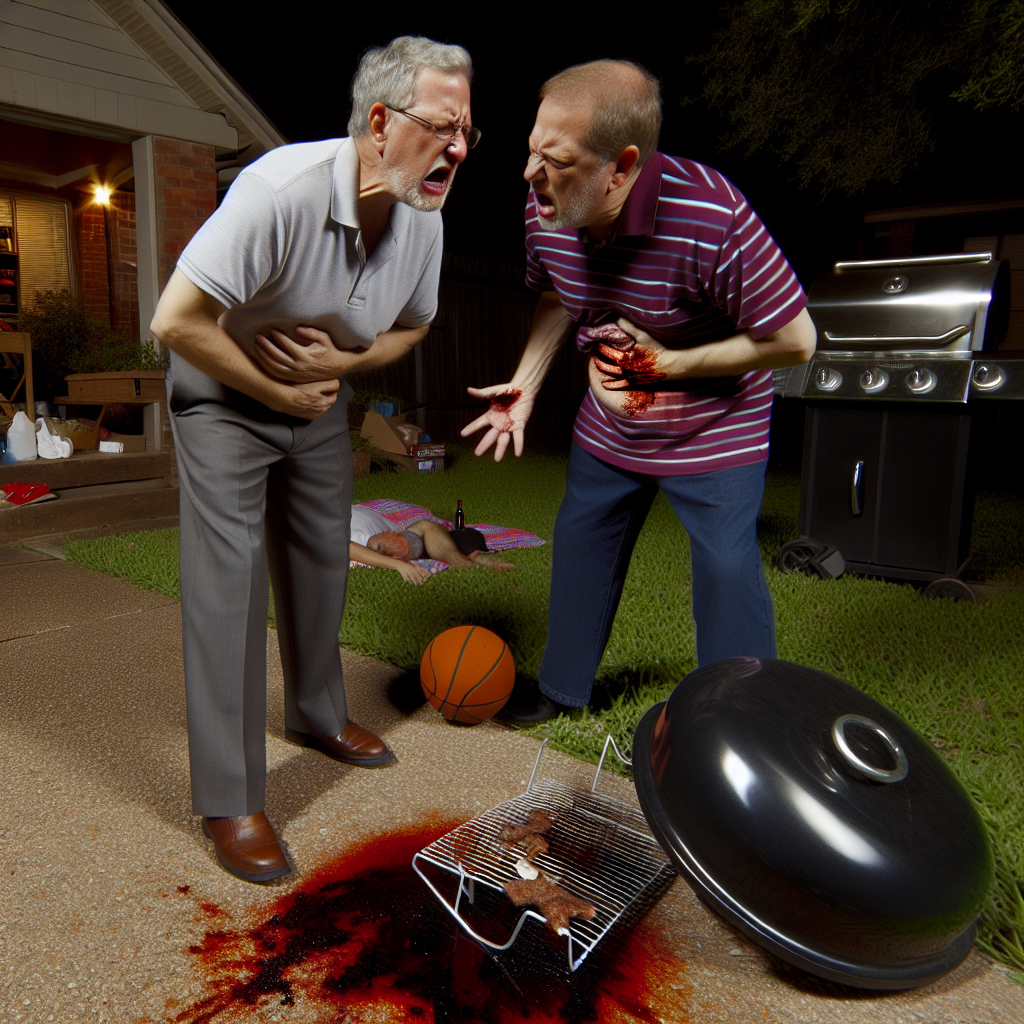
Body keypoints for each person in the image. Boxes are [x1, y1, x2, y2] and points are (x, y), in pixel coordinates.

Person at [150, 36, 477, 882]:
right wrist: (274, 386)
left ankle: (316, 714)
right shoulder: (279, 190)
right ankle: (229, 795)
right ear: (380, 122)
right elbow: (175, 321)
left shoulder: (424, 221)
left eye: (468, 130)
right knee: (230, 581)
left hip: (318, 401)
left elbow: (414, 325)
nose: (460, 147)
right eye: (444, 126)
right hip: (223, 393)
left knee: (321, 558)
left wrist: (337, 368)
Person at [462, 60, 816, 722]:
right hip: (610, 425)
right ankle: (561, 691)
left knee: (725, 569)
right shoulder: (548, 205)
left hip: (716, 427)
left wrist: (668, 367)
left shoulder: (711, 215)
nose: (530, 174)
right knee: (581, 542)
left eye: (555, 159)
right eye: (531, 150)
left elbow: (797, 339)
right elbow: (553, 295)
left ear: (620, 168)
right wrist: (528, 382)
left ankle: (742, 720)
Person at [348, 504, 513, 583]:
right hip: (380, 536)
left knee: (432, 528)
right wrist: (398, 565)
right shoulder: (361, 537)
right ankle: (468, 565)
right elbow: (346, 547)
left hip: (392, 526)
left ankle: (465, 561)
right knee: (382, 543)